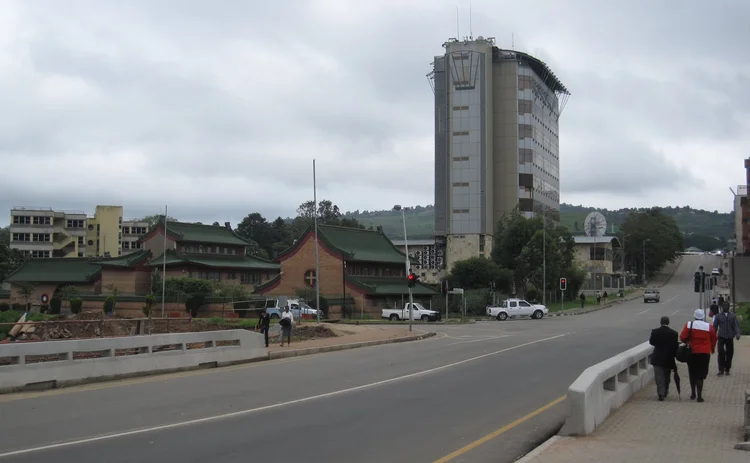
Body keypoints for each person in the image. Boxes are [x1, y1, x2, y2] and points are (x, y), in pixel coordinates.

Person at [680, 309, 717, 402]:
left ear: (695, 316)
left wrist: (688, 341)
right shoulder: (709, 326)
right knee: (700, 374)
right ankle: (699, 396)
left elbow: (682, 337)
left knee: (692, 373)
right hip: (705, 353)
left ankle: (693, 393)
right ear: (703, 316)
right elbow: (714, 338)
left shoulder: (689, 325)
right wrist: (712, 348)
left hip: (692, 352)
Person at [649, 316, 679, 401]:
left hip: (657, 358)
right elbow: (675, 347)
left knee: (659, 377)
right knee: (667, 376)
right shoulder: (674, 333)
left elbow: (651, 342)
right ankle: (665, 391)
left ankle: (660, 394)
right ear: (668, 322)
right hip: (668, 358)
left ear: (660, 322)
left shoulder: (655, 332)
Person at [713, 304, 741, 376]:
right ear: (722, 307)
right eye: (724, 306)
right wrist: (713, 335)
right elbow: (715, 326)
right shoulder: (718, 316)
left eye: (726, 306)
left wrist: (737, 334)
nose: (725, 307)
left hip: (729, 336)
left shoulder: (732, 316)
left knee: (730, 353)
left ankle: (727, 369)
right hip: (721, 336)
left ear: (728, 307)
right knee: (721, 352)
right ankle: (721, 369)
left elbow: (735, 326)